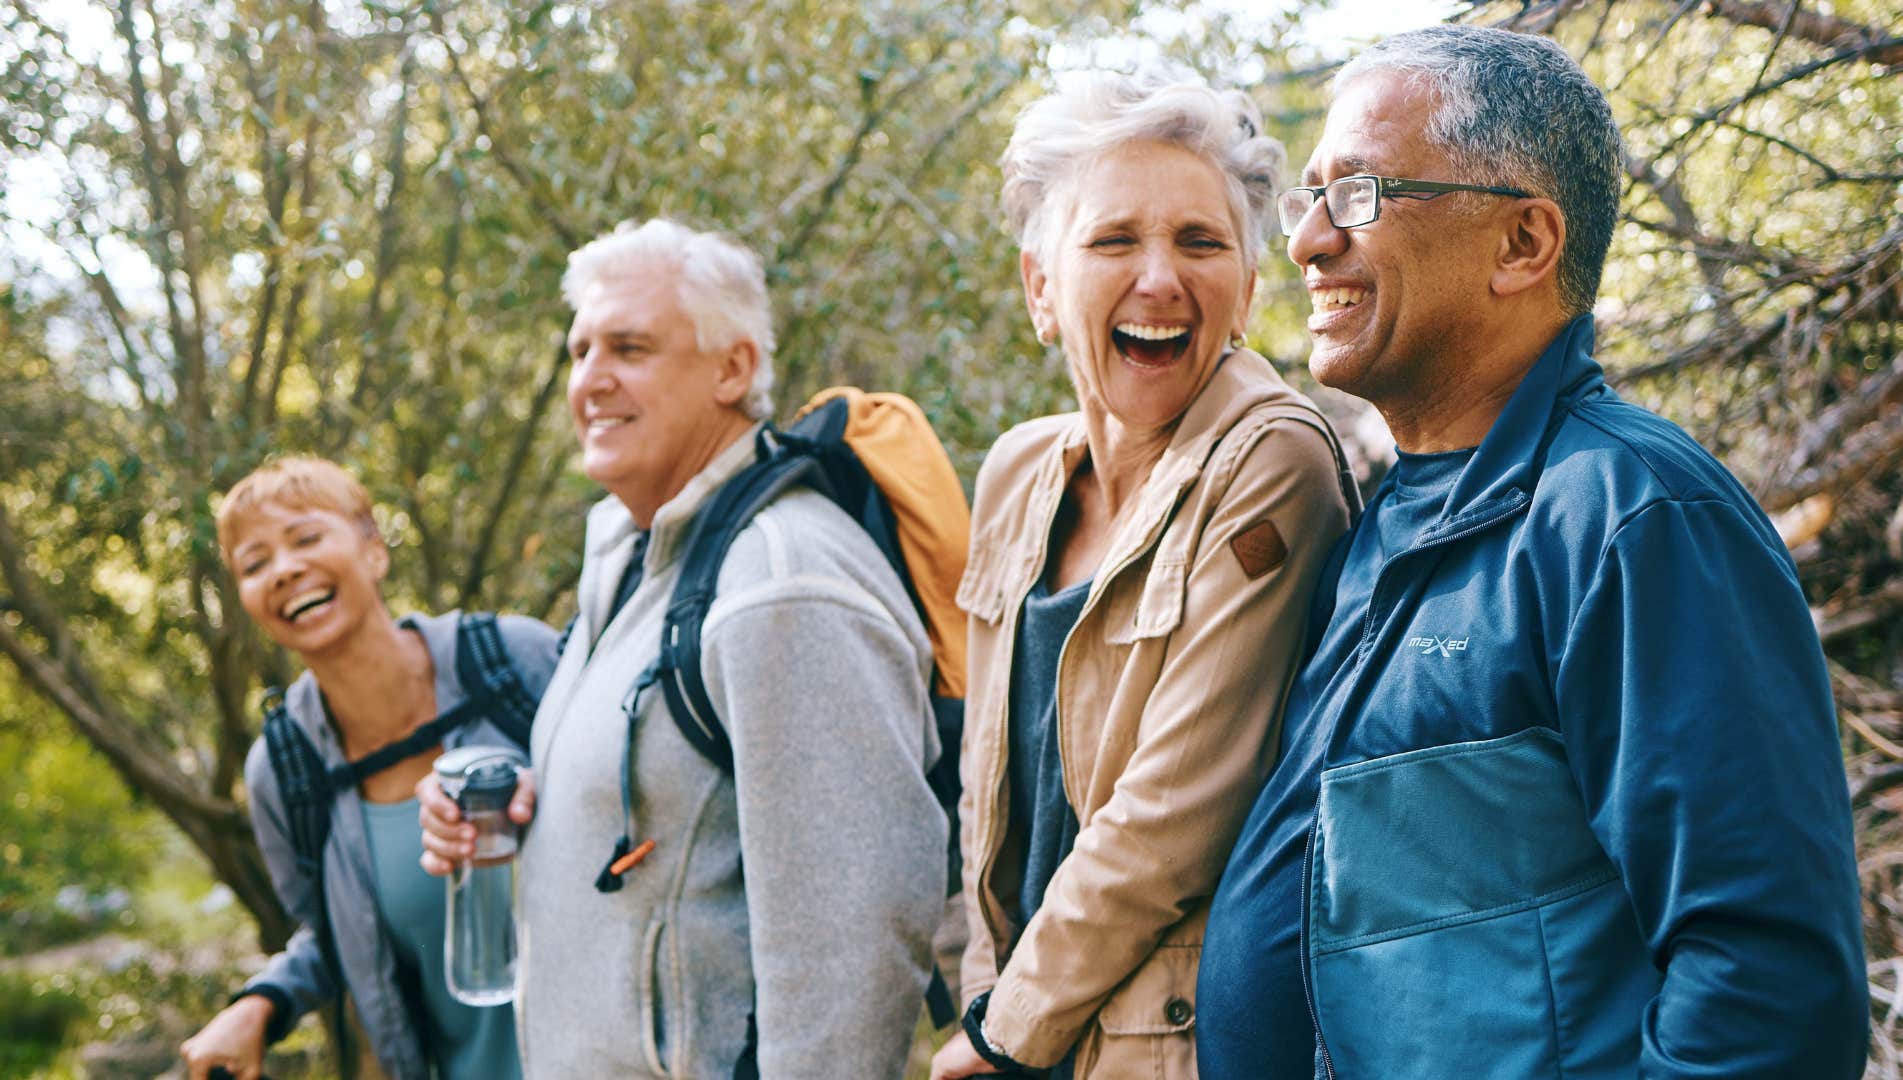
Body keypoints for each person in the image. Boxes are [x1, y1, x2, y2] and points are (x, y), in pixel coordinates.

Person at [1196, 24, 1868, 1079]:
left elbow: (1767, 985)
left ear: (1523, 244)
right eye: (1309, 197)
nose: (1308, 242)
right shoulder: (1390, 520)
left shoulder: (1633, 517)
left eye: (1362, 194)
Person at [417, 218, 947, 1077]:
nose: (590, 380)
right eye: (579, 350)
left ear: (733, 368)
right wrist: (533, 805)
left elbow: (855, 938)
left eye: (629, 347)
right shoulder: (637, 557)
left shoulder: (781, 582)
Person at [928, 75, 1358, 1080]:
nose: (1160, 279)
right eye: (1115, 240)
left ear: (1249, 290)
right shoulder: (1015, 475)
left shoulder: (1272, 464)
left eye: (1201, 243)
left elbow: (1174, 816)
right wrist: (986, 1002)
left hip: (1174, 1049)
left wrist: (1003, 1033)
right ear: (1042, 286)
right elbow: (985, 793)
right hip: (1024, 1032)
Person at [179, 457, 560, 1080]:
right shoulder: (285, 770)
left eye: (306, 539)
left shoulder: (513, 662)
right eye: (255, 564)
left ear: (374, 551)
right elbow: (336, 935)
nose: (285, 569)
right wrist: (261, 1003)